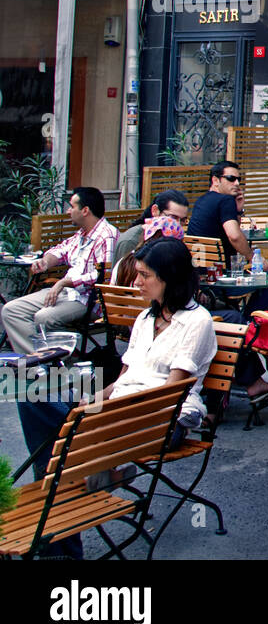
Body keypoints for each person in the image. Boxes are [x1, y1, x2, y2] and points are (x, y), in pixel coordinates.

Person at [16, 237, 217, 557]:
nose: (136, 282)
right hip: (120, 410)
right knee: (32, 393)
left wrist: (104, 412)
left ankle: (63, 523)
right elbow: (125, 378)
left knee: (66, 450)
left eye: (145, 276)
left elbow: (170, 394)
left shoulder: (197, 321)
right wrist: (94, 399)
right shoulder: (146, 318)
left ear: (171, 278)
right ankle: (73, 477)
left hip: (162, 420)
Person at [2, 186, 118, 354]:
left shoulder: (107, 235)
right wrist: (45, 262)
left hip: (89, 300)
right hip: (66, 293)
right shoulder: (81, 234)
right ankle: (39, 361)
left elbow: (103, 276)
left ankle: (52, 362)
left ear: (85, 210)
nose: (69, 211)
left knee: (43, 317)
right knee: (12, 310)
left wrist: (64, 282)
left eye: (72, 206)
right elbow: (60, 251)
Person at [188, 161, 255, 266]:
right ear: (215, 180)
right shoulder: (226, 200)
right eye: (231, 178)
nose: (237, 183)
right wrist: (253, 258)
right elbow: (234, 236)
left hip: (199, 270)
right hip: (222, 272)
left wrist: (237, 211)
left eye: (239, 179)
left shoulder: (201, 200)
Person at [113, 189, 189, 266]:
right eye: (173, 217)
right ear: (155, 211)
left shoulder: (174, 242)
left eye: (182, 220)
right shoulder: (130, 242)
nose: (177, 225)